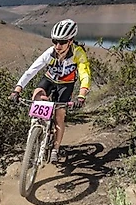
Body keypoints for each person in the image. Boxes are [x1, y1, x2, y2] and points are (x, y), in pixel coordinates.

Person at [9, 18, 91, 164]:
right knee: (37, 95)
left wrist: (81, 96)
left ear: (70, 41)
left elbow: (85, 75)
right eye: (54, 41)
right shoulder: (50, 52)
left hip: (66, 84)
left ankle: (55, 148)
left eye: (62, 42)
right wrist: (17, 89)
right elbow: (31, 71)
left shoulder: (78, 54)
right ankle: (36, 130)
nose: (58, 46)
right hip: (49, 80)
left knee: (59, 115)